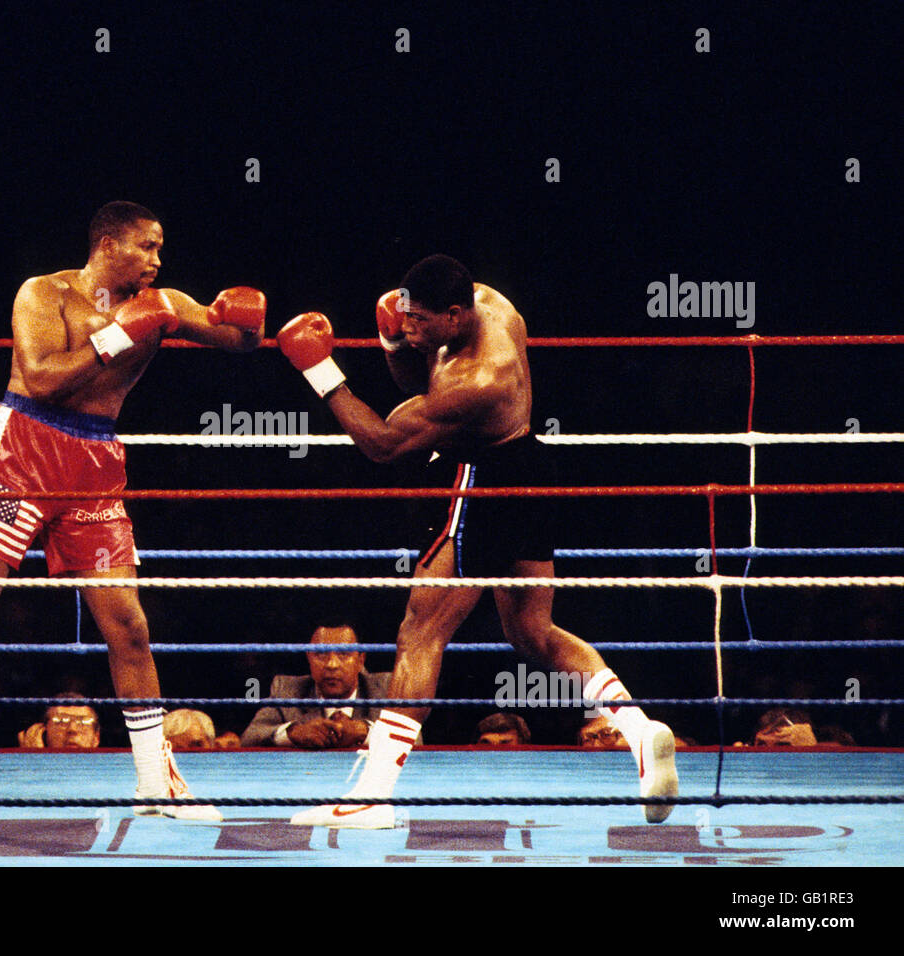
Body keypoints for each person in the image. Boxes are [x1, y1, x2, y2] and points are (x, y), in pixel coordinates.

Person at [0, 201, 265, 824]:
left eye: (161, 250)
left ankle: (156, 784)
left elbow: (238, 338)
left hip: (95, 467)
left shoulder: (166, 302)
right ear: (107, 244)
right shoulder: (42, 294)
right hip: (19, 452)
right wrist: (121, 331)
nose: (158, 261)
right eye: (148, 247)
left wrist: (251, 315)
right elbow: (43, 379)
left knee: (128, 626)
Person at [276, 254, 678, 827]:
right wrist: (396, 344)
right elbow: (425, 377)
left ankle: (373, 796)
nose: (410, 325)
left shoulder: (480, 377)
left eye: (420, 320)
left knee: (421, 630)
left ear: (455, 314)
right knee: (533, 633)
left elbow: (386, 444)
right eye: (406, 316)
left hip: (483, 479)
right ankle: (639, 732)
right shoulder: (485, 304)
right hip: (530, 471)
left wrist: (319, 370)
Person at [240, 624, 408, 748]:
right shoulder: (287, 689)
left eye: (343, 654)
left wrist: (366, 731)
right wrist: (292, 733)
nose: (332, 664)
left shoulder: (385, 687)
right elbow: (250, 737)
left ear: (360, 660)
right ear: (309, 658)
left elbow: (415, 739)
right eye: (320, 654)